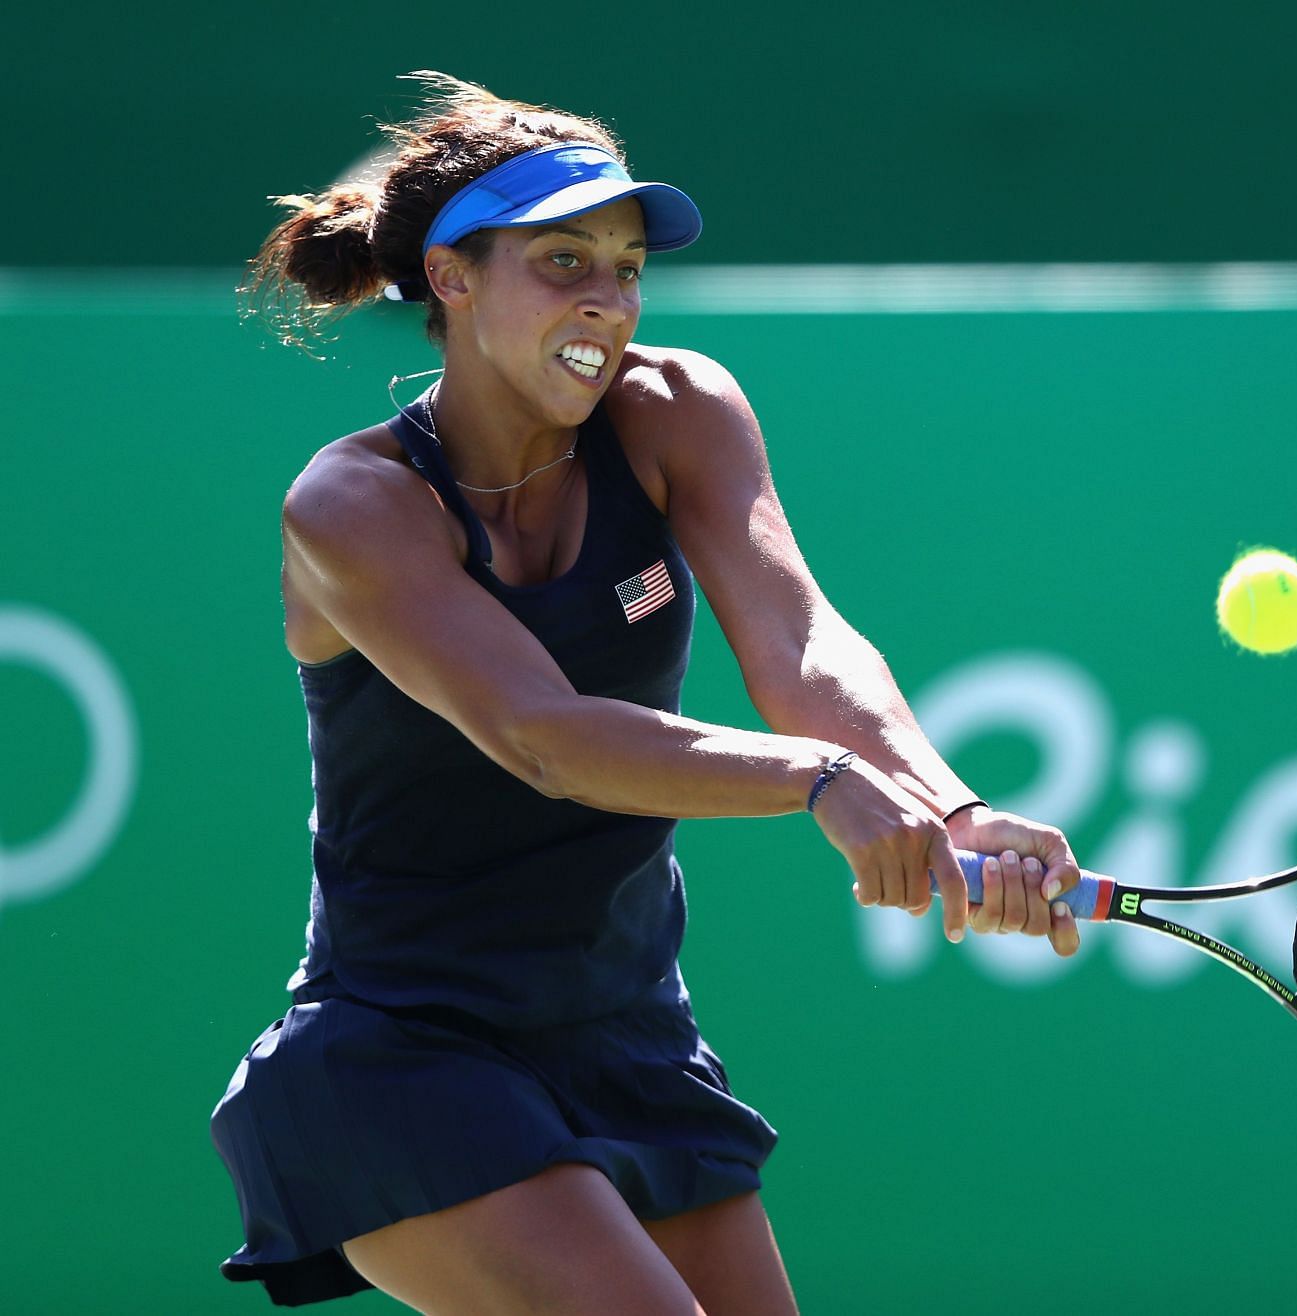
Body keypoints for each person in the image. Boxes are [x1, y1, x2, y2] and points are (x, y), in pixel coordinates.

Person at [211, 72, 1082, 1314]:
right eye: (564, 263)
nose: (607, 301)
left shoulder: (678, 411)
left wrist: (947, 805)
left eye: (625, 266)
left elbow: (801, 644)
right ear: (453, 278)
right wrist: (822, 781)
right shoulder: (354, 507)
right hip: (406, 1050)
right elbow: (544, 736)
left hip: (624, 1026)